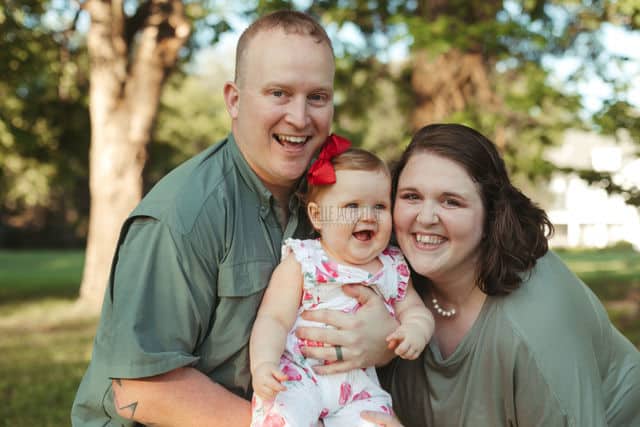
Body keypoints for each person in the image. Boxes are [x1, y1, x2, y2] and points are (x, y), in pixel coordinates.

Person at [71, 10, 397, 427]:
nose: (300, 118)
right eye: (278, 93)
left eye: (317, 97)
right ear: (235, 99)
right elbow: (141, 389)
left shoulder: (334, 197)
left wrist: (382, 341)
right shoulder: (184, 215)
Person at [361, 123, 640, 427]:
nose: (425, 218)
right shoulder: (387, 283)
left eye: (451, 201)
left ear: (491, 214)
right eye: (411, 196)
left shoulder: (534, 322)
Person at [249, 141, 434, 427]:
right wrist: (263, 364)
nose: (368, 216)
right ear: (318, 216)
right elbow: (273, 318)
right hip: (299, 376)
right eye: (352, 206)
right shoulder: (304, 260)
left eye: (380, 206)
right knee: (283, 419)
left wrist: (415, 330)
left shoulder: (392, 266)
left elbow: (415, 309)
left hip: (357, 388)